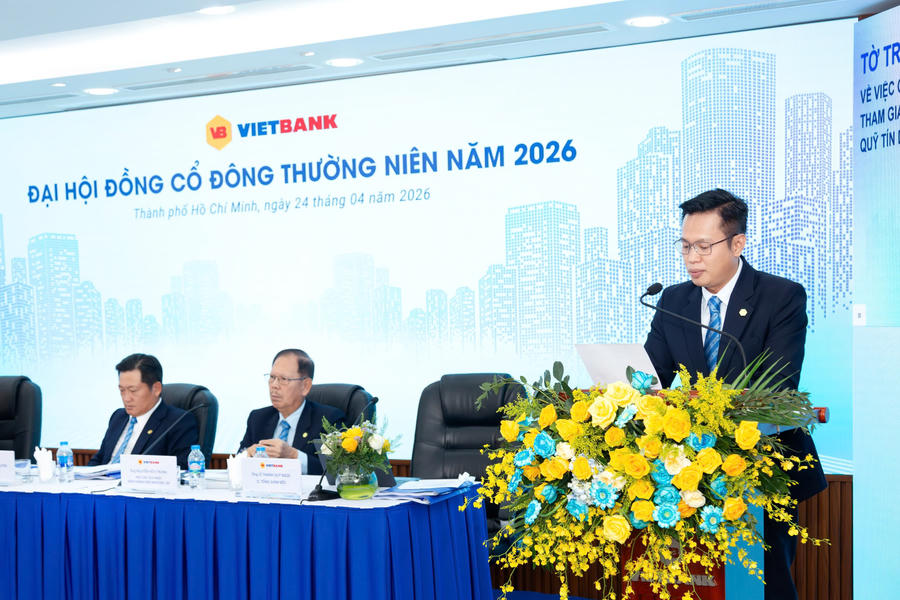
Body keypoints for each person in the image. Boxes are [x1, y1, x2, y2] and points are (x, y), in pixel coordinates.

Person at [644, 188, 827, 600]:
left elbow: (779, 386)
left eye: (703, 246)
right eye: (685, 246)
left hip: (762, 468)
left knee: (766, 583)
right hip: (687, 473)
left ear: (737, 243)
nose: (692, 258)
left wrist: (706, 403)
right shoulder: (674, 300)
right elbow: (653, 377)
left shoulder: (781, 296)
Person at [238, 348, 344, 475]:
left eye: (283, 379)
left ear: (305, 386)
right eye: (272, 377)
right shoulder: (258, 418)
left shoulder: (328, 420)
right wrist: (247, 455)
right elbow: (237, 462)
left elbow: (336, 470)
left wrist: (293, 456)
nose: (274, 385)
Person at [89, 353, 198, 470]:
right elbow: (100, 458)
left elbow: (180, 469)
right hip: (102, 480)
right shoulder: (118, 417)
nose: (126, 398)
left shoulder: (178, 422)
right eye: (122, 390)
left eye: (133, 390)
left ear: (156, 389)